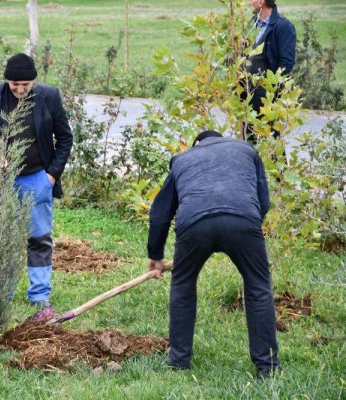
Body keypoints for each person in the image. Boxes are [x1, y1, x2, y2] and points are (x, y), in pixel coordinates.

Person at [147, 130, 280, 377]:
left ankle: (179, 361)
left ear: (197, 143)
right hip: (244, 221)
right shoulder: (246, 150)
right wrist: (245, 230)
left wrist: (155, 255)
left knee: (183, 284)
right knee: (258, 286)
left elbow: (160, 213)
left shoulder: (182, 159)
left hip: (194, 225)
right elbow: (263, 201)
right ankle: (267, 366)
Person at [0, 53, 73, 320]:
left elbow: (65, 138)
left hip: (37, 177)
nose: (20, 89)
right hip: (0, 180)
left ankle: (39, 294)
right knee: (1, 236)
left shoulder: (49, 96)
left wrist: (51, 176)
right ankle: (2, 290)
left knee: (39, 237)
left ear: (34, 81)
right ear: (7, 81)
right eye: (15, 83)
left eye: (25, 84)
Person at [243, 0, 296, 142]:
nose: (249, 2)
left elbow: (286, 63)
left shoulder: (283, 27)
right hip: (247, 96)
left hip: (267, 98)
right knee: (248, 143)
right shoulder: (250, 25)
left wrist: (270, 87)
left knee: (270, 144)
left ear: (261, 2)